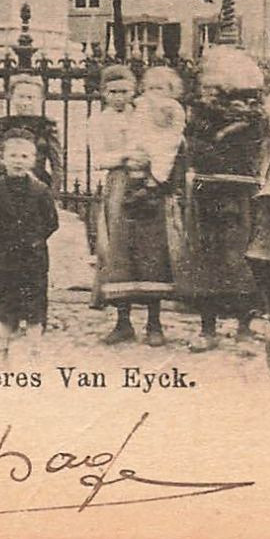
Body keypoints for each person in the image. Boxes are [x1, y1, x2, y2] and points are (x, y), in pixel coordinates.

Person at [178, 47, 265, 352]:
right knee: (207, 261)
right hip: (208, 193)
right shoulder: (198, 117)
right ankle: (207, 328)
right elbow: (195, 150)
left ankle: (244, 328)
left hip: (241, 195)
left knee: (241, 261)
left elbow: (253, 151)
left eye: (216, 86)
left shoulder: (255, 119)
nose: (209, 92)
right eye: (206, 86)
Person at [91, 65, 173, 346]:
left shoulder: (145, 113)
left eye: (124, 91)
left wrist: (150, 162)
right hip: (118, 187)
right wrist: (126, 155)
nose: (118, 97)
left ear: (133, 90)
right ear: (103, 93)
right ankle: (123, 322)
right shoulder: (98, 121)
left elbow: (164, 143)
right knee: (119, 252)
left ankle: (154, 322)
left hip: (148, 185)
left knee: (151, 251)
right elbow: (99, 158)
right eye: (112, 92)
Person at [0, 130, 59, 361]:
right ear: (2, 159)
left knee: (35, 309)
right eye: (13, 156)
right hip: (5, 259)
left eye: (24, 157)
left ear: (33, 161)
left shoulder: (41, 191)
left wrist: (33, 239)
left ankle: (35, 352)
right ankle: (2, 351)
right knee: (5, 307)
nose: (18, 161)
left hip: (33, 259)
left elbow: (51, 222)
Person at [0, 75, 62, 190]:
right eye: (21, 97)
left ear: (40, 99)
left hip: (38, 186)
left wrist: (53, 194)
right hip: (7, 186)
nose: (25, 102)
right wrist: (18, 169)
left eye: (30, 97)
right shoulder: (3, 124)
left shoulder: (47, 125)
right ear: (11, 97)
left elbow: (57, 165)